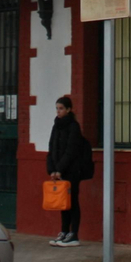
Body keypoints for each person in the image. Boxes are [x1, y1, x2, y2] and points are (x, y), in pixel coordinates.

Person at [46, 95, 84, 247]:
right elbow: (51, 148)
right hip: (58, 171)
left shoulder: (74, 126)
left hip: (72, 171)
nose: (58, 111)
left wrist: (60, 169)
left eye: (61, 108)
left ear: (68, 109)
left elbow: (71, 150)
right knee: (62, 202)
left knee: (72, 201)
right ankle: (63, 231)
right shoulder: (56, 126)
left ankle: (74, 234)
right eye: (57, 108)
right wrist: (52, 169)